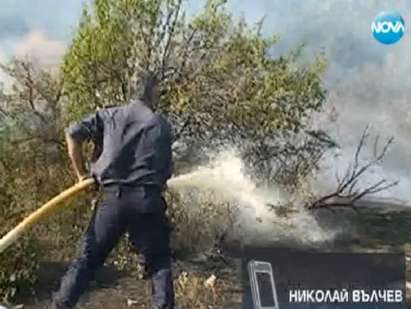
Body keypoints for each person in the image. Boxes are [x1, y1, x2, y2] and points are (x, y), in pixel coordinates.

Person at [51, 72, 175, 309]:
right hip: (146, 202)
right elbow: (166, 172)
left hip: (112, 201)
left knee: (86, 260)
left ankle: (61, 306)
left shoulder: (109, 115)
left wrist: (81, 174)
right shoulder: (161, 125)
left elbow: (73, 133)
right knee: (159, 263)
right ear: (152, 92)